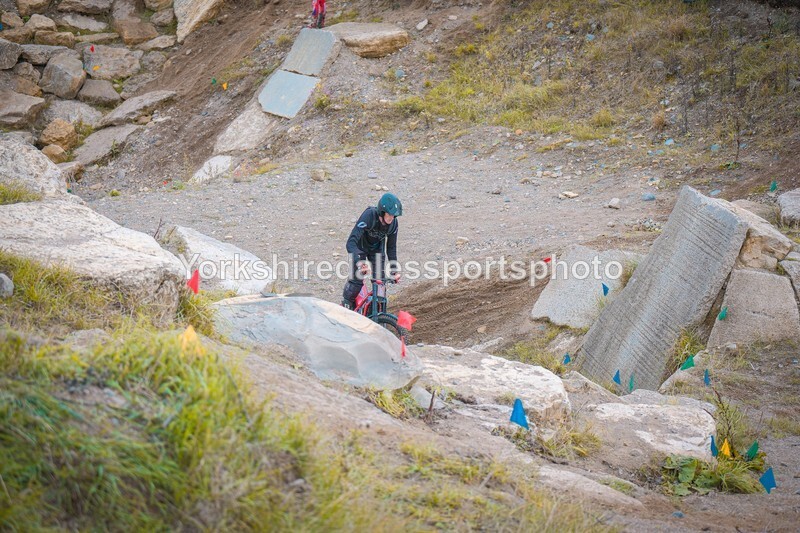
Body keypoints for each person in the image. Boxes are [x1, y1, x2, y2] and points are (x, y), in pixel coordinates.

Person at [341, 193, 403, 310]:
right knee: (356, 283)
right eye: (389, 214)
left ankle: (377, 316)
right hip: (360, 248)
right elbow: (351, 242)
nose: (392, 218)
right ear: (382, 211)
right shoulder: (369, 215)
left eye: (394, 216)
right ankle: (346, 305)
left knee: (380, 286)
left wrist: (394, 271)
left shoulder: (393, 224)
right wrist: (360, 262)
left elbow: (391, 247)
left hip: (377, 251)